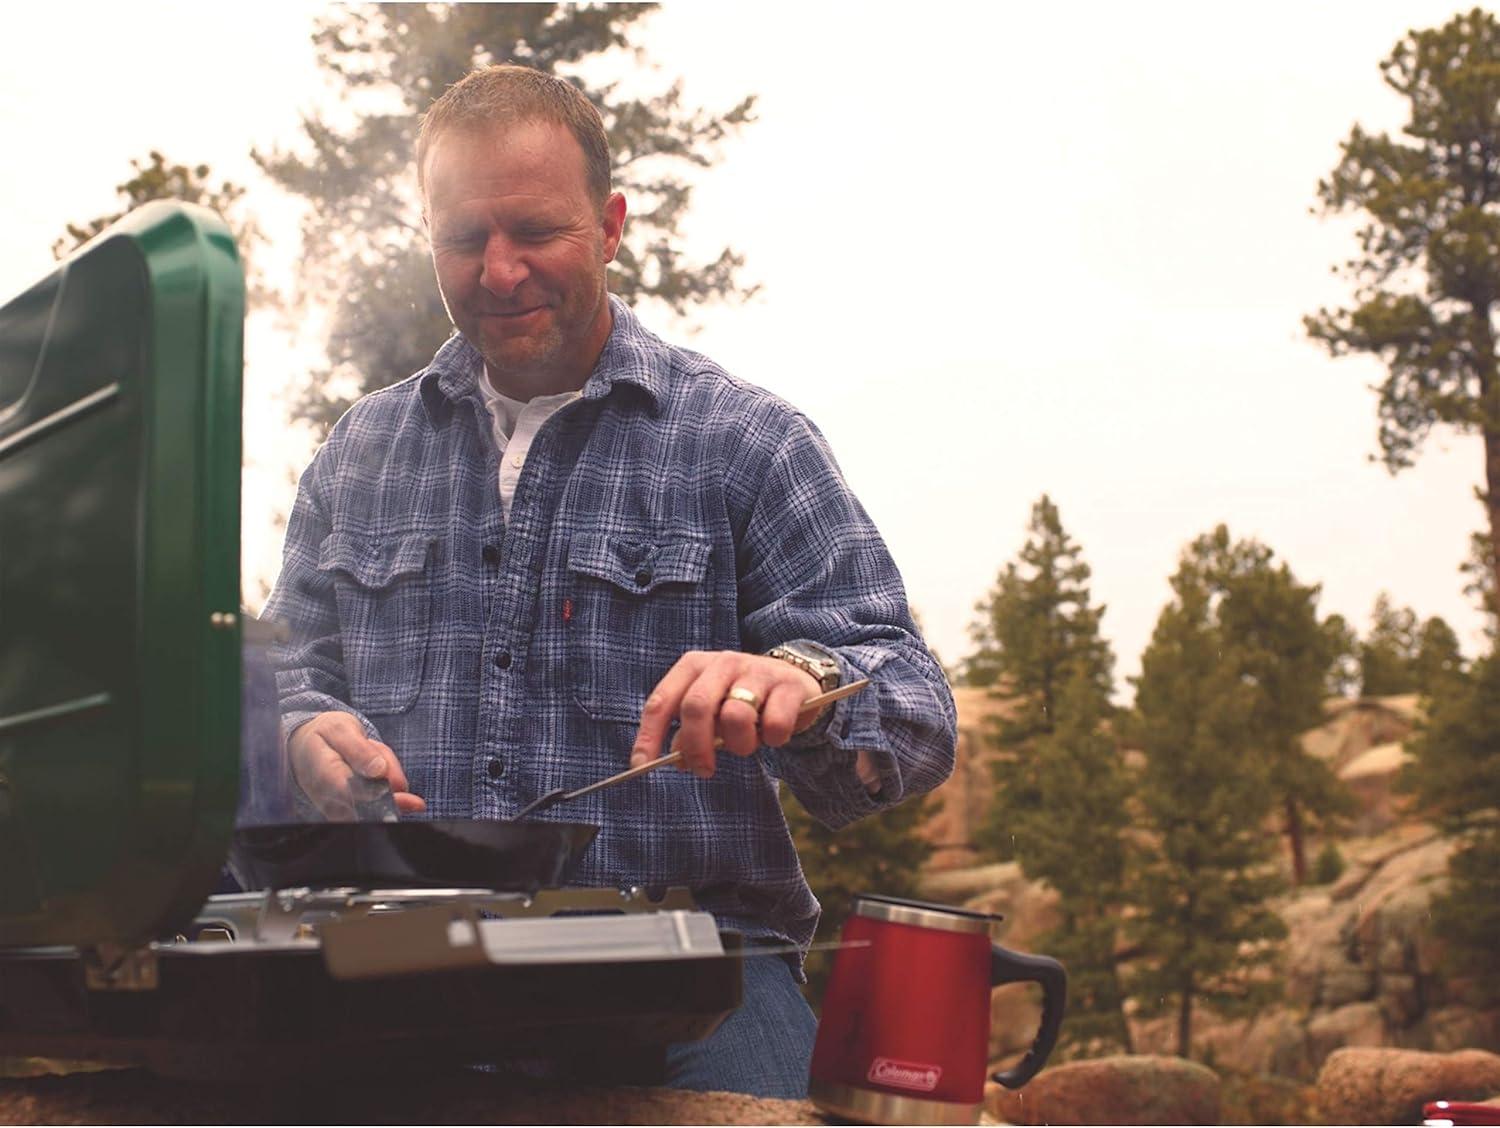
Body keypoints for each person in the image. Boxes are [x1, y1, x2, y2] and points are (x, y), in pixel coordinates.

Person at [263, 64, 956, 1098]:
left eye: (536, 232)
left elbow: (913, 703)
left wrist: (802, 687)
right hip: (400, 971)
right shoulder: (360, 449)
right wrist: (297, 732)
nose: (500, 273)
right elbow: (284, 677)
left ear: (611, 225)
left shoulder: (747, 442)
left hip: (698, 967)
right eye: (464, 239)